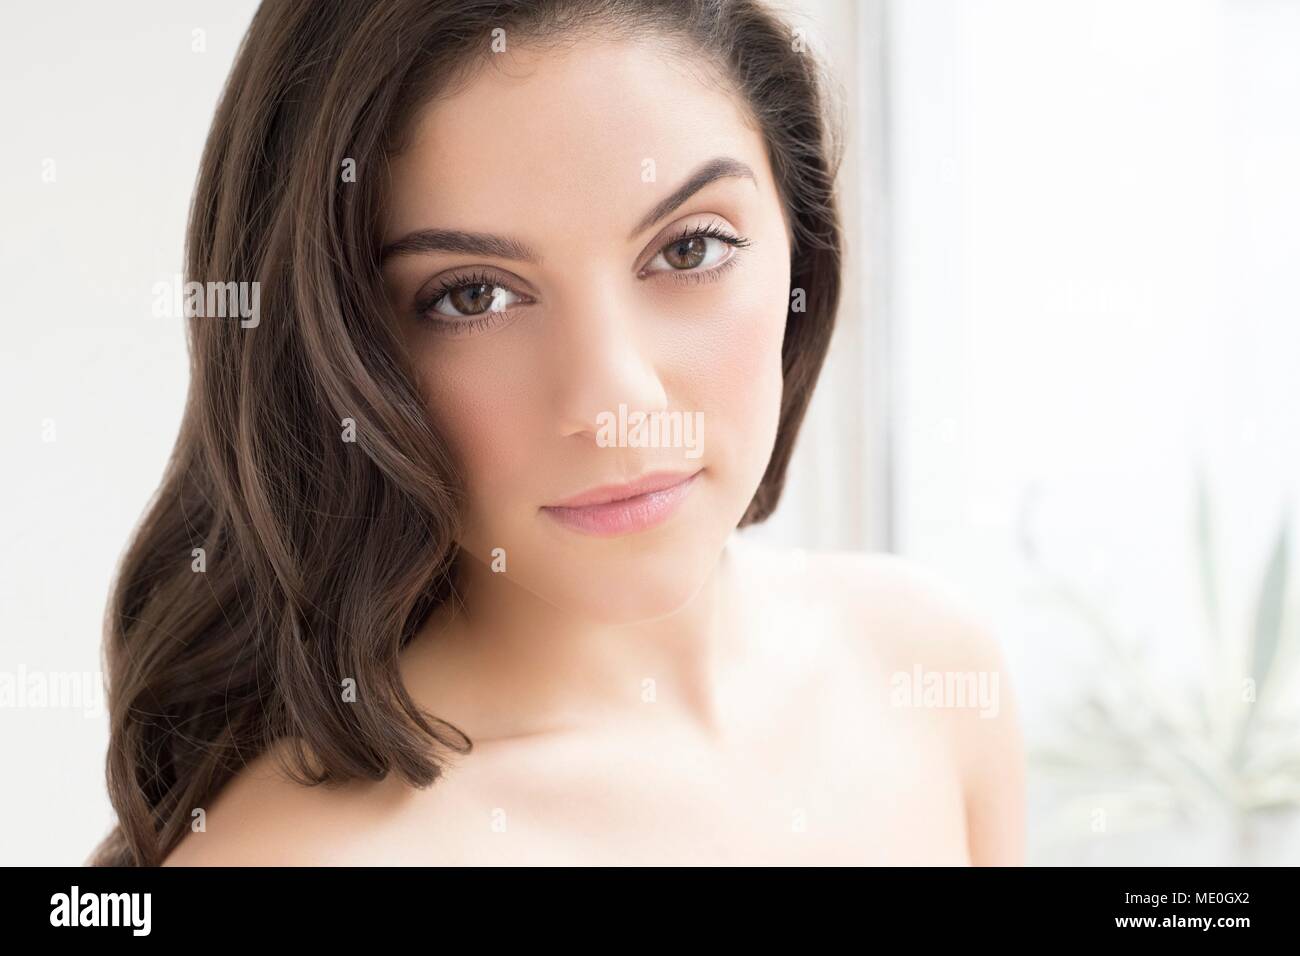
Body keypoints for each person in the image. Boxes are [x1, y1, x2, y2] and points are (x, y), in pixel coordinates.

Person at [91, 0, 1024, 867]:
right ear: (335, 349)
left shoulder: (925, 670)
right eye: (472, 296)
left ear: (801, 241)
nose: (616, 397)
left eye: (690, 247)